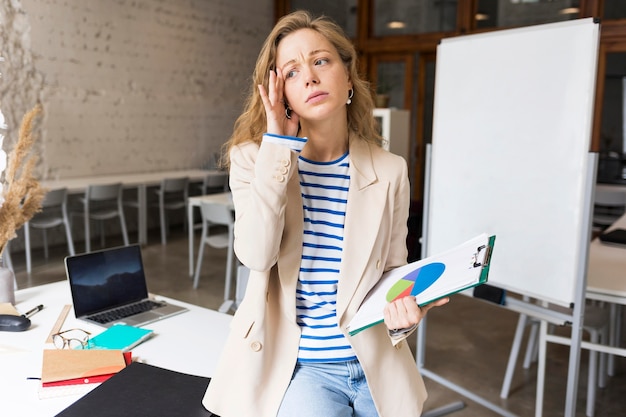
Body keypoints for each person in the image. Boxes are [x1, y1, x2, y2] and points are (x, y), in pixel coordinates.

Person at [202, 10, 448, 417]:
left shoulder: (390, 170)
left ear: (347, 77)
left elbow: (391, 272)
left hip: (377, 363)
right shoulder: (252, 160)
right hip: (299, 366)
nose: (311, 78)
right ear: (278, 92)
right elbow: (256, 255)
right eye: (292, 72)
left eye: (320, 61)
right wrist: (279, 145)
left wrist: (405, 315)